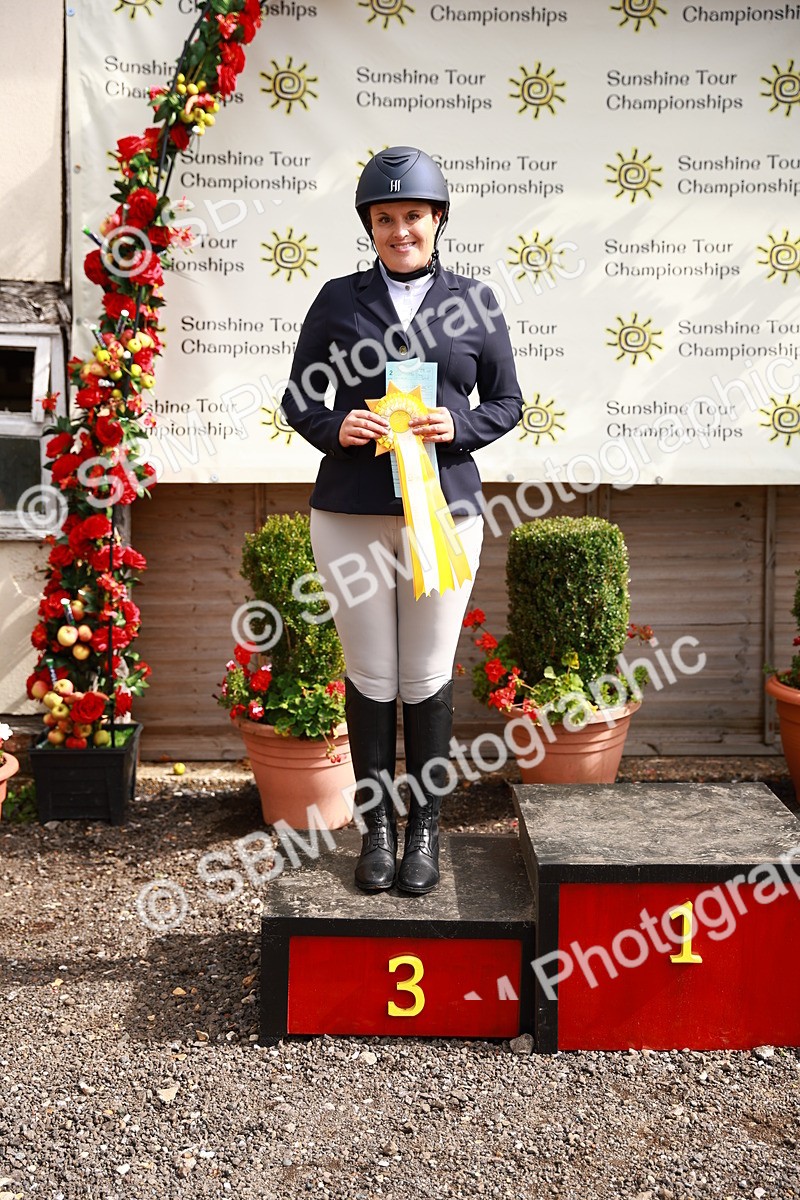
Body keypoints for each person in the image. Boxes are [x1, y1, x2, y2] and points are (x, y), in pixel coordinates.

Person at [281, 146, 522, 896]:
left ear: (438, 219)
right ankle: (376, 831)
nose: (400, 230)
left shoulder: (475, 301)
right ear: (370, 226)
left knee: (423, 677)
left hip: (442, 513)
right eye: (384, 219)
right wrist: (333, 427)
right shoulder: (338, 298)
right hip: (351, 513)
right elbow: (297, 398)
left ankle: (426, 832)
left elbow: (508, 402)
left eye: (413, 215)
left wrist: (458, 427)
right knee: (371, 676)